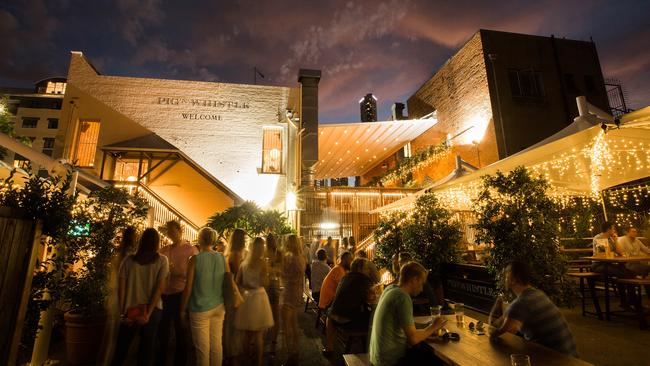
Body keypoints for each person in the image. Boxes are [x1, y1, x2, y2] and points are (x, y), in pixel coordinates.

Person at [488, 261, 578, 357]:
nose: (504, 277)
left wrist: (492, 331)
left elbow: (504, 332)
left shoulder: (521, 303)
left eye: (507, 273)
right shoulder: (537, 294)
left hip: (557, 358)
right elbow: (508, 321)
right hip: (569, 354)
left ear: (514, 279)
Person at [369, 262, 447, 366]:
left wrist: (426, 327)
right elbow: (413, 339)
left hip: (377, 358)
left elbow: (404, 325)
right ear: (414, 279)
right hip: (390, 361)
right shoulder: (402, 297)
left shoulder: (390, 289)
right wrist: (433, 327)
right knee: (437, 361)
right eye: (421, 284)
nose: (422, 289)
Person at [112, 228, 169, 366]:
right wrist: (148, 314)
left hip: (130, 310)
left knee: (121, 349)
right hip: (153, 310)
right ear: (157, 242)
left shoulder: (128, 260)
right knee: (146, 349)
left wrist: (123, 313)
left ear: (141, 241)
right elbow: (159, 289)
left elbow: (122, 289)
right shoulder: (162, 260)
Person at [180, 227, 226, 366]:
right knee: (216, 346)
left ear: (200, 239)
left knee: (202, 351)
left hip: (199, 309)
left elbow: (188, 287)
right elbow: (228, 279)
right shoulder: (221, 257)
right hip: (219, 306)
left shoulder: (195, 259)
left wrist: (182, 309)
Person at [157, 220, 198, 366]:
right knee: (163, 331)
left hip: (180, 293)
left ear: (180, 231)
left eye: (173, 231)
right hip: (164, 294)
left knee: (181, 331)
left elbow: (194, 273)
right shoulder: (163, 250)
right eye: (168, 232)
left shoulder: (190, 250)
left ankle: (180, 362)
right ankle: (160, 360)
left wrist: (179, 272)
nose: (170, 234)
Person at [234, 237, 274, 366]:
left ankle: (246, 359)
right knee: (258, 336)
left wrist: (246, 288)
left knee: (247, 335)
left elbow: (237, 282)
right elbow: (265, 283)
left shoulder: (244, 263)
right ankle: (259, 362)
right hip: (259, 298)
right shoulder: (262, 263)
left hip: (247, 298)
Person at [102, 227, 138, 365]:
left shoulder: (117, 253)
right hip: (125, 298)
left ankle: (107, 361)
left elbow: (111, 278)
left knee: (112, 335)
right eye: (135, 235)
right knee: (121, 337)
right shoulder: (130, 256)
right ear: (132, 237)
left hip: (114, 297)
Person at [323, 258, 374, 355]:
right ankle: (370, 352)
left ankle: (329, 348)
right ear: (360, 269)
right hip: (349, 322)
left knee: (332, 314)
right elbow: (369, 299)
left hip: (333, 318)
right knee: (375, 318)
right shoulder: (364, 280)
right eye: (367, 268)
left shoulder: (345, 277)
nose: (369, 271)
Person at [590, 221, 635, 308]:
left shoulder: (611, 239)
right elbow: (603, 253)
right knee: (625, 274)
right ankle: (629, 302)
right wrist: (613, 253)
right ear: (608, 229)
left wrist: (616, 240)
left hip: (609, 264)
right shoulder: (598, 238)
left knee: (629, 273)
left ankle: (630, 302)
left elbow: (620, 252)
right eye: (613, 228)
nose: (614, 230)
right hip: (598, 265)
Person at [280, 234, 306, 363]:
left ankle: (290, 352)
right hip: (297, 292)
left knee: (287, 325)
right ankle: (295, 350)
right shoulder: (301, 257)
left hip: (289, 291)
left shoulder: (289, 257)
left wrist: (280, 272)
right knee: (294, 324)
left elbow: (286, 276)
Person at [223, 229, 247, 364]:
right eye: (244, 238)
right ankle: (232, 353)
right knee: (234, 324)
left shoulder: (230, 253)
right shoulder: (236, 255)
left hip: (231, 292)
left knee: (230, 323)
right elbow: (238, 276)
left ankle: (230, 352)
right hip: (236, 292)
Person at [264, 233, 283, 356]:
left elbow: (279, 271)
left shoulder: (276, 253)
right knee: (272, 316)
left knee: (271, 315)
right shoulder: (267, 253)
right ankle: (272, 344)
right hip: (271, 286)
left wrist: (271, 269)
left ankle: (271, 343)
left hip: (270, 286)